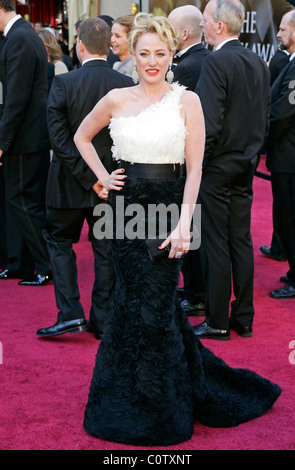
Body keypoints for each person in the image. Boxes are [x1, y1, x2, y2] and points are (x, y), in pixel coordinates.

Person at [74, 12, 281, 447]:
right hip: (126, 210)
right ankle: (124, 400)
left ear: (172, 53)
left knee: (158, 307)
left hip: (171, 210)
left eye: (160, 54)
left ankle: (161, 409)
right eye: (144, 53)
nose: (152, 62)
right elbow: (80, 137)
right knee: (131, 304)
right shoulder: (116, 98)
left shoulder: (186, 100)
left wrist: (186, 223)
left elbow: (195, 168)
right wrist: (102, 177)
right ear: (132, 52)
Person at [36, 17, 134, 339]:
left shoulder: (64, 84)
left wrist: (87, 177)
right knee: (105, 249)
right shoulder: (123, 85)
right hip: (110, 184)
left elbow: (59, 140)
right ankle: (103, 320)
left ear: (79, 45)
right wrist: (100, 179)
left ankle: (70, 314)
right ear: (108, 47)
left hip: (68, 184)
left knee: (59, 242)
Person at [193, 0, 271, 340]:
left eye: (206, 20)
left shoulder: (215, 62)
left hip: (217, 167)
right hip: (246, 165)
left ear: (220, 26)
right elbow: (263, 117)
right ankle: (244, 317)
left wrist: (200, 165)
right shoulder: (258, 62)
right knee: (240, 238)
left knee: (215, 242)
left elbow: (208, 124)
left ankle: (218, 321)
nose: (203, 26)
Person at [0, 0, 51, 286]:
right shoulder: (19, 34)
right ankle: (19, 263)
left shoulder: (20, 37)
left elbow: (16, 99)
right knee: (14, 200)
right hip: (24, 137)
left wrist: (2, 142)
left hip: (25, 138)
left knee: (23, 201)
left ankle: (46, 265)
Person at [168, 4, 210, 316]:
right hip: (217, 158)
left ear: (182, 34)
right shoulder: (210, 59)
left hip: (187, 160)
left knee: (190, 226)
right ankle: (199, 289)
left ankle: (196, 293)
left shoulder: (185, 67)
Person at [265, 10, 295, 299]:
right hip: (285, 155)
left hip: (289, 157)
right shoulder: (290, 62)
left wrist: (260, 140)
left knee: (288, 218)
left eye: (284, 29)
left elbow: (283, 113)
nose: (278, 33)